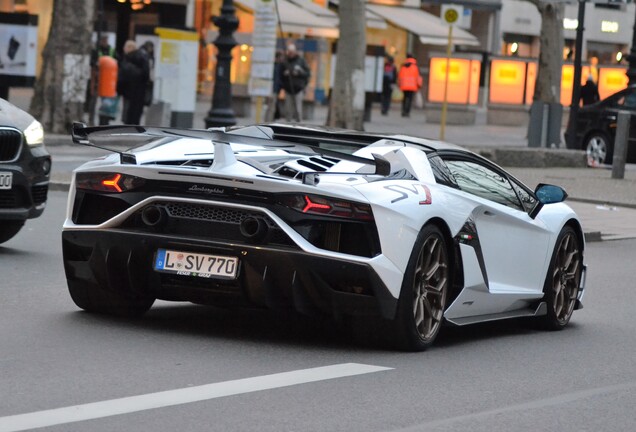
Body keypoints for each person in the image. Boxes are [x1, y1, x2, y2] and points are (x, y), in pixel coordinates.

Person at [117, 40, 150, 125]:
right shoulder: (142, 57)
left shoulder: (129, 59)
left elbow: (123, 77)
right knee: (135, 115)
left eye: (126, 47)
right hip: (139, 92)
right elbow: (146, 75)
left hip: (130, 91)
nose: (124, 49)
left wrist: (119, 89)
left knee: (129, 115)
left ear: (130, 48)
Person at [279, 43, 310, 122]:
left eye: (292, 52)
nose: (291, 54)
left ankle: (299, 124)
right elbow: (280, 75)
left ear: (295, 52)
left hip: (298, 88)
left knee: (298, 110)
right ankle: (287, 125)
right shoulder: (285, 62)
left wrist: (299, 73)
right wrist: (285, 75)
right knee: (288, 110)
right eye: (289, 52)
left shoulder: (301, 61)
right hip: (288, 89)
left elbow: (307, 74)